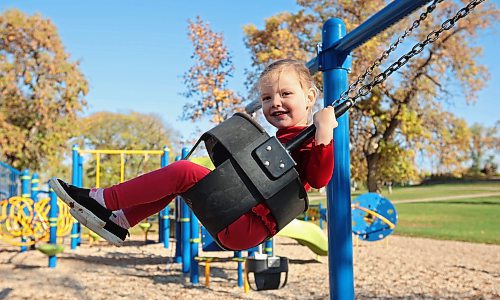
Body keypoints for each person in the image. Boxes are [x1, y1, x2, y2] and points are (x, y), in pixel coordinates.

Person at [49, 59, 338, 250]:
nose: (275, 103)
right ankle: (121, 220)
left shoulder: (313, 138)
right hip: (240, 217)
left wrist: (324, 132)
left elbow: (319, 177)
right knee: (180, 181)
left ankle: (104, 200)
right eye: (266, 98)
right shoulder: (283, 139)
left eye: (285, 94)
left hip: (250, 224)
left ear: (310, 97)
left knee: (183, 172)